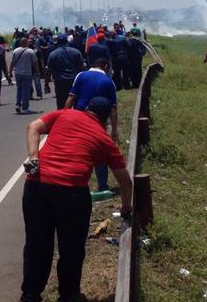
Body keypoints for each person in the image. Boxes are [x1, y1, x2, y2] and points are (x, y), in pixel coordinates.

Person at [20, 96, 133, 302]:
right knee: (71, 248)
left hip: (36, 185)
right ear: (105, 119)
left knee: (37, 243)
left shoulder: (65, 114)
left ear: (87, 109)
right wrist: (126, 208)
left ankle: (30, 295)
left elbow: (33, 127)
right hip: (71, 192)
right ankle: (68, 295)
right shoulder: (104, 139)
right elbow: (125, 182)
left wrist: (34, 156)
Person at [65, 57, 119, 191]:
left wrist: (64, 116)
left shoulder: (81, 76)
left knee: (77, 150)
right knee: (100, 152)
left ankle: (74, 184)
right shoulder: (109, 82)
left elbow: (71, 97)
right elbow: (113, 109)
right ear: (106, 67)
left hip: (79, 118)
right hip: (98, 121)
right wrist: (114, 130)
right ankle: (102, 186)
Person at [46, 34, 85, 110]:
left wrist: (46, 84)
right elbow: (82, 68)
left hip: (60, 82)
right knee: (76, 102)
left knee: (61, 104)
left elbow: (48, 70)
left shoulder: (53, 54)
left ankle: (62, 119)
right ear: (67, 41)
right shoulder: (76, 52)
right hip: (74, 81)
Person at [10, 37, 38, 114]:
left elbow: (12, 62)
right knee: (26, 91)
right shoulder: (30, 51)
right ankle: (25, 108)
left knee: (19, 89)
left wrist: (9, 72)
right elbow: (35, 63)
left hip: (18, 73)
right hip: (27, 73)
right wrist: (37, 71)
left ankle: (18, 105)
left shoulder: (15, 51)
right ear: (26, 43)